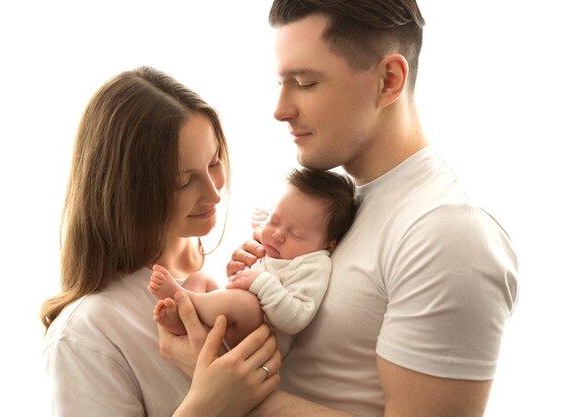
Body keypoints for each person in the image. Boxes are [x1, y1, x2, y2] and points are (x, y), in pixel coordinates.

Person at [156, 1, 520, 417]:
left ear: (388, 81)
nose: (280, 109)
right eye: (281, 82)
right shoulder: (340, 205)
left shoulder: (446, 235)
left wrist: (227, 389)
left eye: (306, 83)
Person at [40, 66, 282, 417]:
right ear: (128, 193)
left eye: (214, 162)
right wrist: (206, 407)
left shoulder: (239, 267)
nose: (214, 193)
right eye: (183, 182)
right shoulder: (88, 335)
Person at [148, 168, 358, 357]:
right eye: (274, 221)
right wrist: (238, 271)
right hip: (227, 321)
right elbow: (238, 276)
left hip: (259, 342)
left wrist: (260, 282)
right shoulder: (272, 245)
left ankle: (184, 299)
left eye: (296, 234)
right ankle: (182, 318)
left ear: (328, 246)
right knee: (201, 278)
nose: (277, 235)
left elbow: (296, 318)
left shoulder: (313, 264)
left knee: (245, 303)